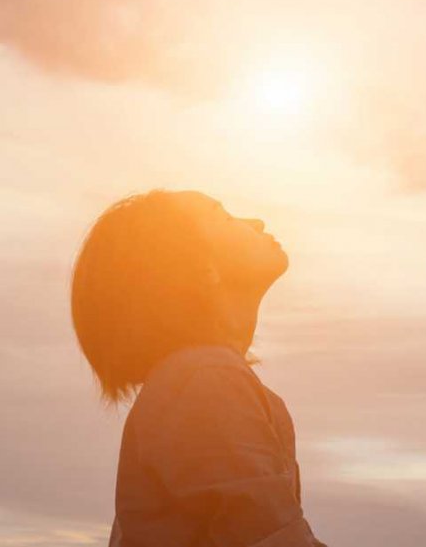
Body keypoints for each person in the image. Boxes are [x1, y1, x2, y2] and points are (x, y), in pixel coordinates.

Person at [70, 189, 327, 546]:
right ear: (203, 268)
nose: (256, 221)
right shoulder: (204, 381)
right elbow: (268, 537)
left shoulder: (194, 378)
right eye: (223, 215)